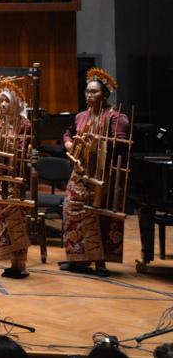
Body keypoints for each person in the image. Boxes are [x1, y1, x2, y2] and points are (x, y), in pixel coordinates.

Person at [61, 67, 131, 276]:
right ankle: (78, 259)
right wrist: (68, 143)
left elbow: (120, 144)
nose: (89, 95)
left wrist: (99, 143)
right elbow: (68, 133)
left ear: (105, 94)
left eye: (94, 91)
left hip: (102, 174)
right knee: (71, 211)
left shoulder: (116, 117)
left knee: (98, 214)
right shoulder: (81, 116)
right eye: (87, 91)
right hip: (80, 173)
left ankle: (100, 262)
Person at [0, 84, 33, 279]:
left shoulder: (24, 124)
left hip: (15, 176)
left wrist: (8, 150)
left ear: (16, 103)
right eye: (1, 101)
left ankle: (21, 263)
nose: (4, 104)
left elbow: (23, 149)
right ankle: (11, 262)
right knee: (1, 218)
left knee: (16, 217)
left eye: (7, 100)